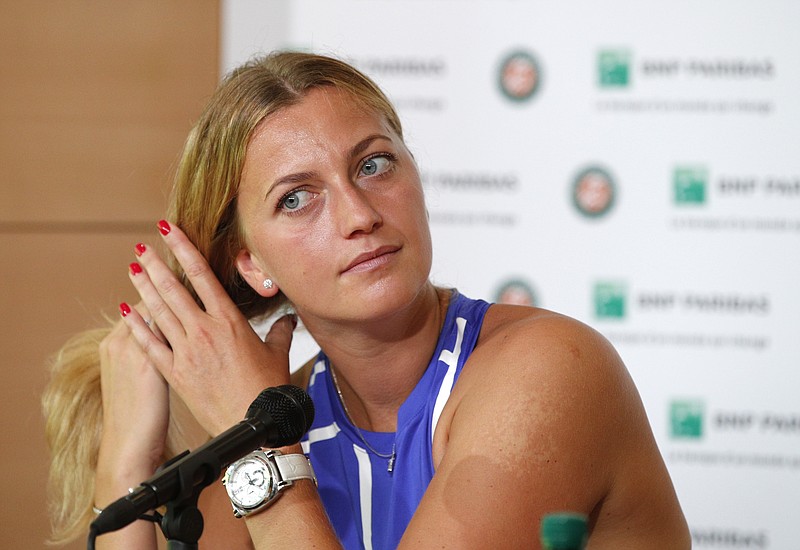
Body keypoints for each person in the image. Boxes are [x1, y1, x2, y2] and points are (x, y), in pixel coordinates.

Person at [42, 51, 690, 549]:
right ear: (252, 264)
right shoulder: (280, 421)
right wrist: (125, 465)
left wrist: (267, 462)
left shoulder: (549, 370)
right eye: (296, 197)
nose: (357, 215)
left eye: (374, 165)